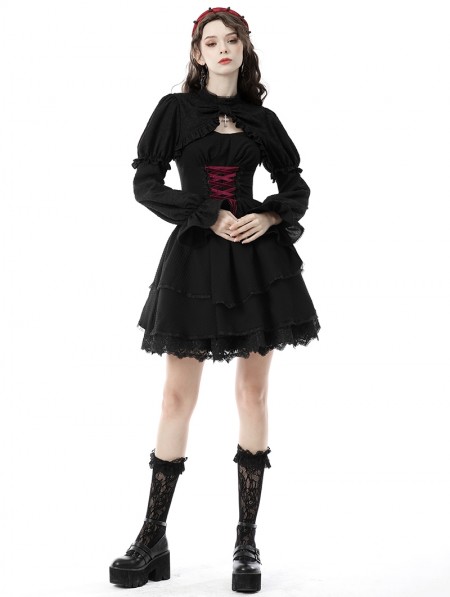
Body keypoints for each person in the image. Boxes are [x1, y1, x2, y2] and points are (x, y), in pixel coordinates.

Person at [109, 6, 321, 593]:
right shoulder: (174, 110)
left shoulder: (263, 119)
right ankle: (152, 536)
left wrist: (270, 216)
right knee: (176, 398)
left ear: (244, 50)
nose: (222, 48)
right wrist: (206, 213)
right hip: (195, 260)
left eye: (232, 40)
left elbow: (295, 184)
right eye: (211, 41)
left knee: (253, 395)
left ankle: (246, 542)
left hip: (257, 264)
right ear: (197, 53)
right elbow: (145, 182)